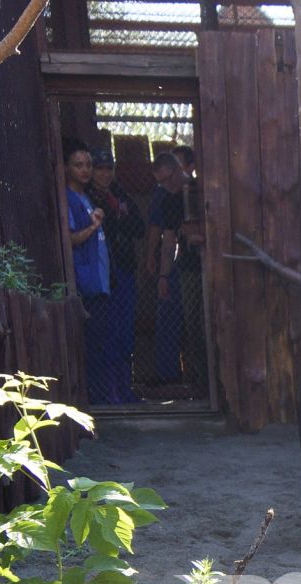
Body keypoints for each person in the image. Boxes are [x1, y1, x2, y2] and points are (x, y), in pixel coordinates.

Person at [149, 149, 207, 394]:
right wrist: (163, 275)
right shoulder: (169, 200)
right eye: (160, 182)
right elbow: (169, 240)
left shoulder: (201, 189)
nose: (165, 185)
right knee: (192, 325)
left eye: (167, 179)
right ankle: (201, 383)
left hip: (213, 266)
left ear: (179, 170)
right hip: (188, 268)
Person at [88, 152, 144, 404]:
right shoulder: (87, 197)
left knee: (124, 332)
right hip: (102, 273)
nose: (105, 173)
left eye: (108, 168)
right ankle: (108, 393)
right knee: (107, 333)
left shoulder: (119, 193)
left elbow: (139, 227)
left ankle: (125, 390)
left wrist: (121, 216)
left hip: (124, 269)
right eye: (99, 168)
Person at [63, 139, 111, 404]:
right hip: (85, 282)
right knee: (89, 344)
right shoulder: (68, 198)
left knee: (100, 342)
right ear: (67, 168)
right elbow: (69, 238)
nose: (85, 170)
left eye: (88, 165)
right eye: (78, 165)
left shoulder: (86, 197)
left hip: (98, 280)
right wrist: (93, 227)